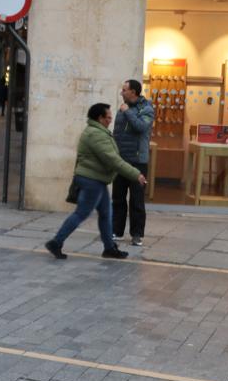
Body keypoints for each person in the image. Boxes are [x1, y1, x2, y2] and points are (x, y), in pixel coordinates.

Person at [45, 103, 148, 261]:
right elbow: (113, 159)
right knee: (81, 213)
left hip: (97, 179)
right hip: (91, 180)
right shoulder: (96, 134)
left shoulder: (98, 131)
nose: (110, 120)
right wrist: (136, 174)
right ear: (99, 118)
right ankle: (56, 242)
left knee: (106, 214)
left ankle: (109, 248)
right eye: (108, 117)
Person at [112, 78, 155, 246]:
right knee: (118, 197)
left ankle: (137, 234)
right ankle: (117, 230)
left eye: (124, 90)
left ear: (134, 92)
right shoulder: (123, 109)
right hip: (121, 160)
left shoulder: (147, 109)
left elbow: (141, 127)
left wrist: (127, 112)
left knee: (137, 199)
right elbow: (118, 132)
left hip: (138, 161)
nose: (121, 92)